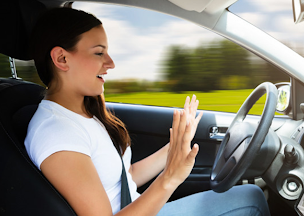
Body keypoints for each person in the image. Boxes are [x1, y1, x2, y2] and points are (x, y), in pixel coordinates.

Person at [25, 7, 270, 216]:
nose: (110, 63)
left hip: (139, 206)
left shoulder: (82, 113)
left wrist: (174, 147)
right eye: (99, 52)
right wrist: (170, 177)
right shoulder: (56, 132)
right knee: (251, 198)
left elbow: (125, 177)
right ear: (62, 59)